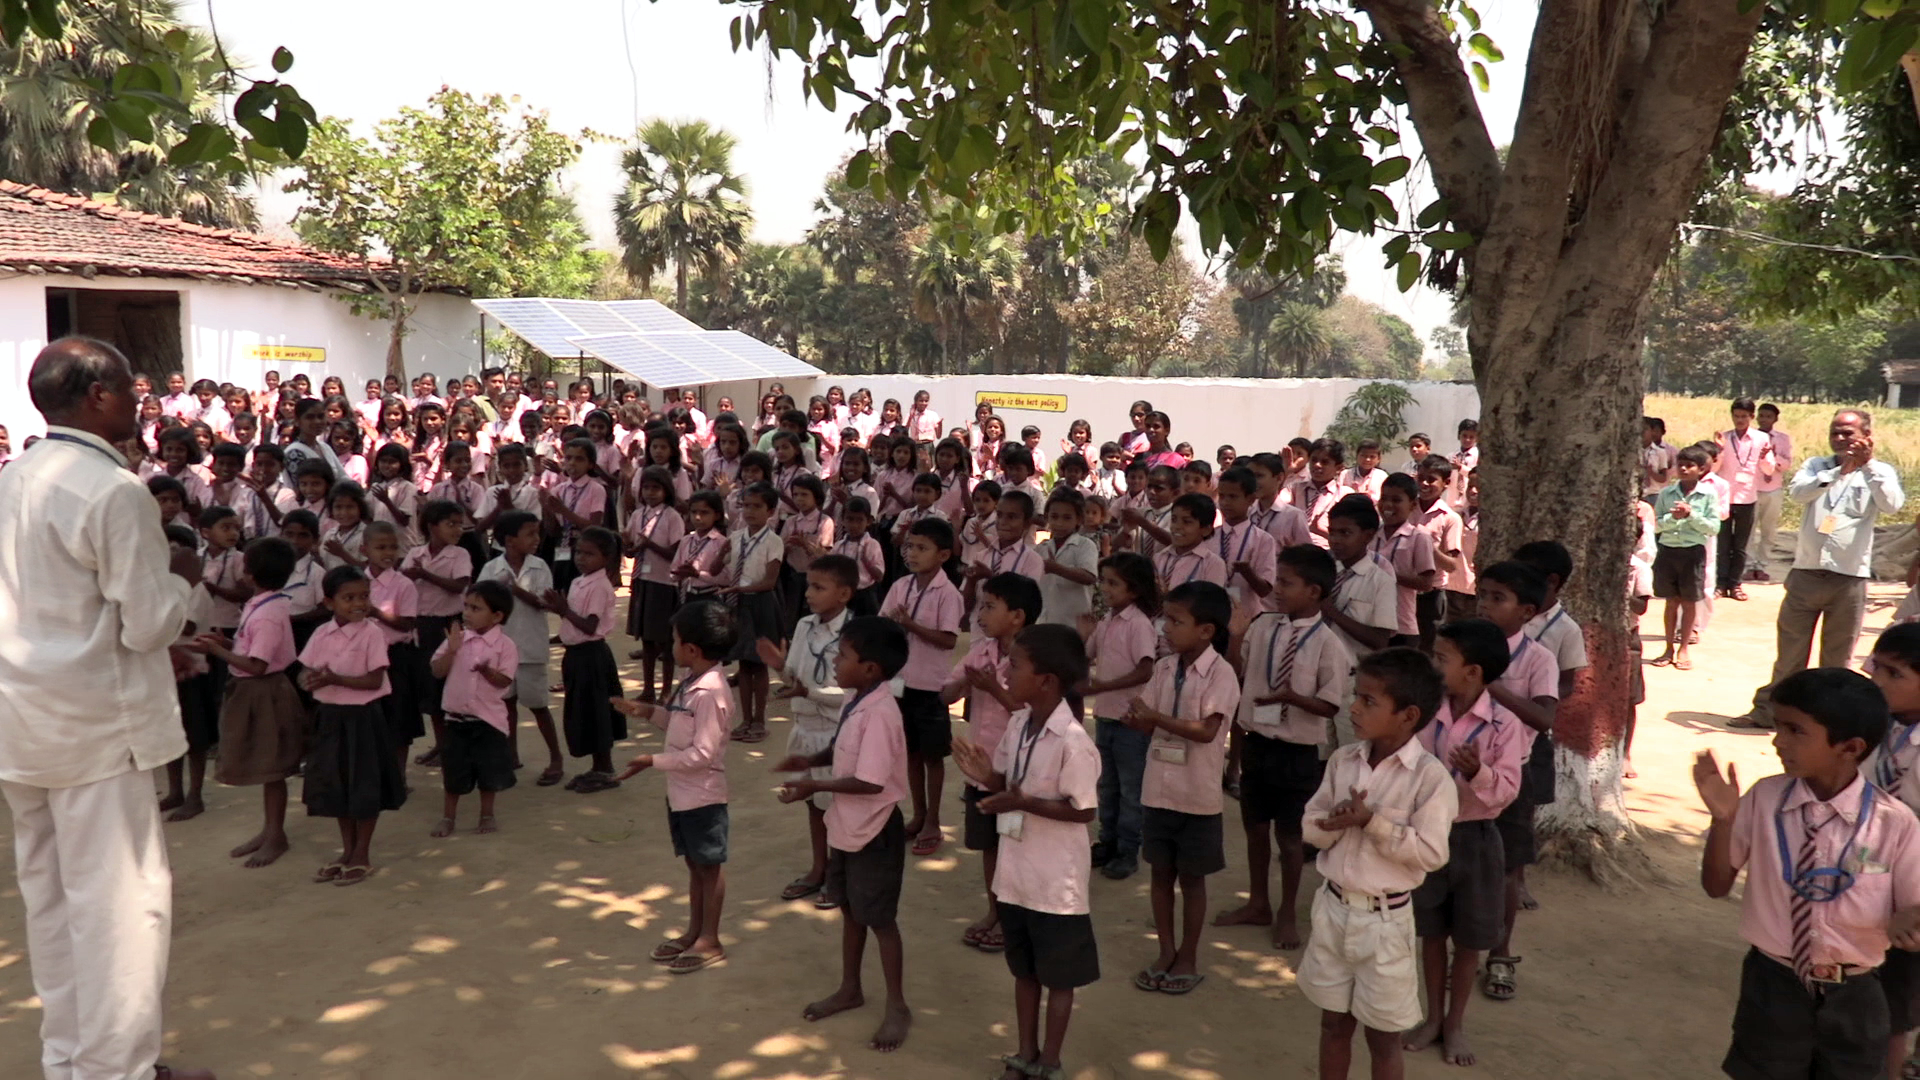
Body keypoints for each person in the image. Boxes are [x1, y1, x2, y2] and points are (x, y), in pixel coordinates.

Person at [0, 338, 215, 1080]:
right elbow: (148, 624)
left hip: (23, 725)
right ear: (96, 397)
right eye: (128, 387)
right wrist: (183, 577)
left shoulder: (16, 474)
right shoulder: (113, 490)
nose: (138, 398)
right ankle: (117, 1069)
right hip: (97, 727)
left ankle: (71, 1060)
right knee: (124, 908)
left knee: (53, 901)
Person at [1695, 667, 1920, 1080]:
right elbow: (1716, 885)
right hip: (1773, 983)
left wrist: (1908, 922)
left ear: (1849, 747)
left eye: (1796, 731)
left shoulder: (1895, 823)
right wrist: (1724, 821)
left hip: (1856, 989)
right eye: (1778, 727)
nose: (1778, 741)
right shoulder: (1764, 798)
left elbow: (1913, 910)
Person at [1298, 648, 1458, 1080]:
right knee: (1333, 1024)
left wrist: (1373, 824)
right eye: (1357, 695)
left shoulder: (1429, 779)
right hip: (1333, 911)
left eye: (1369, 701)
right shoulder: (1342, 760)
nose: (1353, 707)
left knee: (1383, 1037)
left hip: (1385, 924)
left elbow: (1430, 853)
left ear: (1407, 716)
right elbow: (1310, 823)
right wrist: (1333, 824)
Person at [951, 623, 1102, 1080]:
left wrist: (1022, 802)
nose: (1006, 671)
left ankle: (1050, 1060)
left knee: (1059, 978)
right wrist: (988, 778)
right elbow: (1007, 782)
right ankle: (1025, 1052)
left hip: (1056, 883)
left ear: (1047, 681)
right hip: (1017, 876)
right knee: (1024, 971)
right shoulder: (1019, 724)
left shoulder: (1074, 743)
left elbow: (1083, 812)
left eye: (1015, 665)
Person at [777, 617, 915, 1053]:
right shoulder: (858, 700)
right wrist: (809, 763)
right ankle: (850, 987)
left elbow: (872, 782)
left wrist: (815, 785)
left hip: (874, 829)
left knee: (880, 920)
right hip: (846, 825)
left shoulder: (879, 713)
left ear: (871, 668)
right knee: (851, 911)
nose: (834, 662)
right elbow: (841, 750)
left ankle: (897, 1005)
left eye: (844, 656)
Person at [1736, 410, 1906, 730]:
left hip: (1849, 577)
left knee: (1837, 659)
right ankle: (1769, 713)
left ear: (1866, 435)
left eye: (1847, 433)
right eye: (1835, 432)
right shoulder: (1816, 466)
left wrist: (1866, 467)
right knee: (1789, 655)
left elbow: (1892, 504)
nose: (1840, 438)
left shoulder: (1879, 471)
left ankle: (1826, 722)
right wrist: (1840, 471)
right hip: (1806, 573)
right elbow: (1798, 493)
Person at [1219, 545, 1353, 950]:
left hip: (1296, 753)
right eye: (1277, 580)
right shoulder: (1263, 626)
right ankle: (1258, 902)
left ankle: (1286, 913)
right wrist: (1236, 634)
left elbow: (1330, 703)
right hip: (1258, 743)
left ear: (1314, 591)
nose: (1276, 588)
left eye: (1286, 582)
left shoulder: (1329, 644)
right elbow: (1237, 667)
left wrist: (1291, 697)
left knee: (1291, 839)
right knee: (1255, 829)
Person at [1406, 619, 1525, 1067]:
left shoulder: (1503, 724)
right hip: (1428, 832)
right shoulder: (1426, 710)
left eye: (1441, 659)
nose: (1433, 666)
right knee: (1432, 931)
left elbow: (1508, 789)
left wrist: (1478, 772)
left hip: (1475, 837)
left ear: (1472, 672)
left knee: (1470, 937)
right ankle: (1434, 1016)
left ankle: (1455, 1023)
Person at [1124, 581, 1240, 995]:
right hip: (1159, 788)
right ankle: (1165, 950)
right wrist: (1136, 718)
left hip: (1196, 796)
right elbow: (1146, 718)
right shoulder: (1163, 668)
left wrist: (1153, 716)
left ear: (1206, 631)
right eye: (1165, 619)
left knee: (1192, 879)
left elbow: (1208, 731)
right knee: (1160, 874)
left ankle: (1188, 954)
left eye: (1176, 621)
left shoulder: (1221, 674)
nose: (1165, 628)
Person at [612, 599, 738, 974]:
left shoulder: (711, 692)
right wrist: (646, 711)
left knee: (708, 867)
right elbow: (679, 725)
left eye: (675, 639)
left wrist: (652, 761)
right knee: (695, 867)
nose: (670, 645)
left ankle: (710, 939)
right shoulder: (691, 683)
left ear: (693, 649)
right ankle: (694, 931)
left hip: (703, 797)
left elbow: (702, 754)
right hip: (682, 795)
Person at [1473, 561, 1560, 1002]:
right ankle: (1463, 954)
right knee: (1463, 865)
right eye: (1482, 595)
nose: (1485, 605)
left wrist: (1491, 685)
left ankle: (1501, 954)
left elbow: (1544, 717)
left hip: (1513, 773)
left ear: (1527, 611)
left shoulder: (1538, 659)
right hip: (1462, 772)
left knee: (1505, 869)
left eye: (1497, 598)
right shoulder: (1465, 646)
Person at [943, 572, 1040, 953]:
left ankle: (1016, 919)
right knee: (989, 846)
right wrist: (958, 686)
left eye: (989, 606)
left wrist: (992, 690)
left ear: (1017, 616)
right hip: (982, 768)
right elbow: (947, 690)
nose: (979, 613)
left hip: (1019, 770)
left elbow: (1032, 713)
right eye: (980, 604)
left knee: (1016, 844)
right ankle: (995, 911)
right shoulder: (981, 651)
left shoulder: (1034, 656)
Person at [196, 536, 305, 870]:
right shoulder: (262, 603)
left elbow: (258, 665)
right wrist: (227, 642)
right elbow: (253, 649)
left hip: (264, 691)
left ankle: (275, 835)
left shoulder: (269, 612)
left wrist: (219, 652)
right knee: (264, 764)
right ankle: (269, 830)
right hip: (254, 689)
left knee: (271, 767)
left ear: (251, 574)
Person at [298, 565, 405, 887]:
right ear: (329, 602)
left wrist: (335, 678)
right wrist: (309, 680)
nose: (358, 603)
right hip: (330, 718)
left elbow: (374, 680)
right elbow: (304, 672)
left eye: (363, 596)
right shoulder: (321, 634)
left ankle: (362, 853)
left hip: (363, 720)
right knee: (337, 786)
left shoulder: (372, 632)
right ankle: (346, 851)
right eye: (348, 598)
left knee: (364, 786)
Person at [763, 556, 857, 908]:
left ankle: (839, 876)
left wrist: (809, 692)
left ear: (844, 593)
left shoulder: (854, 634)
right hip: (805, 726)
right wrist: (779, 668)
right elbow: (795, 674)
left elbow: (851, 695)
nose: (809, 594)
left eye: (819, 587)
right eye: (808, 586)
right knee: (814, 803)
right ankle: (819, 868)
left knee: (837, 806)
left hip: (836, 733)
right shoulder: (804, 625)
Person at [882, 516, 964, 857]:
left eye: (921, 548)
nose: (912, 554)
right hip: (901, 684)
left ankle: (933, 819)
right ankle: (916, 814)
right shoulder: (901, 586)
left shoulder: (948, 594)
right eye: (909, 547)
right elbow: (885, 622)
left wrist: (910, 625)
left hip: (931, 687)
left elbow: (947, 640)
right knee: (911, 754)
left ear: (943, 555)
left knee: (932, 757)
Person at [1866, 623, 1920, 1078]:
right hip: (1863, 872)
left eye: (1895, 673)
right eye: (1875, 668)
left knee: (1893, 1006)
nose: (1879, 681)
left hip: (1912, 886)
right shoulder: (1873, 724)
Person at [1085, 553, 1160, 881]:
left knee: (1131, 788)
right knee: (1108, 784)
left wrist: (1107, 685)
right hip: (1105, 715)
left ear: (1135, 590)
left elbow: (1146, 669)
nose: (1105, 588)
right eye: (1103, 581)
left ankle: (1128, 849)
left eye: (1113, 583)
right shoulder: (1106, 622)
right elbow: (1086, 652)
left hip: (1130, 719)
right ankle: (1108, 840)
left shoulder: (1139, 624)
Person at [476, 511, 564, 787]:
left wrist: (513, 589)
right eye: (530, 534)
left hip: (530, 647)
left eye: (537, 533)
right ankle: (510, 755)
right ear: (510, 541)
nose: (536, 539)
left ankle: (556, 758)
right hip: (501, 649)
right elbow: (481, 602)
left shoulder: (539, 567)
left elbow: (543, 602)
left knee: (538, 706)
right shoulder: (491, 569)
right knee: (506, 704)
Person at [429, 580, 519, 836]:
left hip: (488, 719)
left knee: (488, 771)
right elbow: (437, 671)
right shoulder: (456, 639)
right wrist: (452, 651)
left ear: (497, 615)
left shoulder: (506, 646)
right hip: (456, 718)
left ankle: (487, 814)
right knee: (453, 771)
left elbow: (505, 680)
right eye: (466, 606)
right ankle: (448, 818)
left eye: (476, 608)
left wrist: (486, 670)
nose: (467, 613)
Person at [546, 526, 624, 793]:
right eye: (578, 552)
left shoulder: (600, 586)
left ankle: (605, 768)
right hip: (576, 655)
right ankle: (597, 766)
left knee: (597, 712)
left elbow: (590, 626)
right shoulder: (580, 581)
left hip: (592, 656)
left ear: (606, 558)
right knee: (583, 712)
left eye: (589, 554)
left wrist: (563, 610)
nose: (581, 558)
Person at [1650, 446, 1718, 671]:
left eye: (1690, 466)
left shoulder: (1707, 495)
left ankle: (1684, 648)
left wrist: (1691, 514)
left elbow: (1713, 527)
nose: (1683, 469)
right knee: (1671, 602)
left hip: (1693, 552)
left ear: (1701, 470)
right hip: (1668, 551)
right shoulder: (1666, 494)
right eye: (1680, 464)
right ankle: (1668, 648)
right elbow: (1657, 525)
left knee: (1689, 602)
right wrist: (1673, 517)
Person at [1716, 398, 1777, 600]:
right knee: (1722, 544)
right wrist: (1718, 451)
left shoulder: (1761, 439)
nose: (1739, 420)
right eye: (1736, 416)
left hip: (1748, 497)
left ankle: (1735, 584)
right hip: (1725, 497)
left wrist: (1765, 457)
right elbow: (1714, 469)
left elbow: (1768, 469)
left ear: (1752, 417)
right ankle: (1720, 583)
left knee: (1741, 546)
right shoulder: (1724, 438)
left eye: (1744, 416)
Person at [1746, 403, 1792, 582]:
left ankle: (1762, 565)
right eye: (1761, 416)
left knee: (1769, 530)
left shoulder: (1782, 439)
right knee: (1748, 529)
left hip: (1773, 488)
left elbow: (1786, 464)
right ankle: (1748, 565)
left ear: (1775, 419)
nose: (1764, 419)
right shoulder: (1751, 438)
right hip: (1752, 488)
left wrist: (1772, 455)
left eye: (1768, 416)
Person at [1038, 490, 1099, 627]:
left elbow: (1089, 577)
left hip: (1073, 623)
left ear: (1079, 519)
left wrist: (1056, 569)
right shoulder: (1042, 547)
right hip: (1044, 619)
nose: (1059, 523)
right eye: (1054, 517)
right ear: (1047, 517)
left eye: (1067, 518)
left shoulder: (1085, 545)